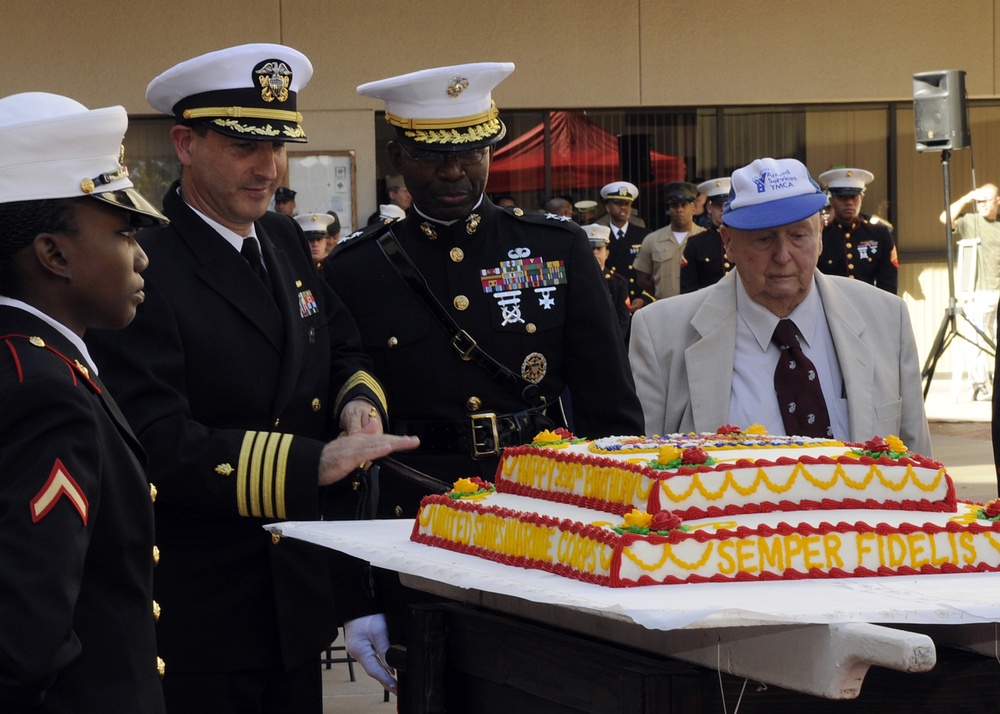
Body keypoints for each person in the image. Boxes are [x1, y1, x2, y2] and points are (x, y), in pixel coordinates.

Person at [85, 44, 419, 712]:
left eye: (279, 146)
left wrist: (356, 404)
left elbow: (341, 347)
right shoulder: (144, 261)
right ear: (185, 143)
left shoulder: (285, 240)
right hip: (201, 610)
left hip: (293, 601)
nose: (268, 168)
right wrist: (312, 462)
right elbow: (152, 440)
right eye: (243, 145)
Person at [328, 61, 643, 514]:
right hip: (413, 502)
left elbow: (608, 398)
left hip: (540, 495)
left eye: (471, 153)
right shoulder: (356, 267)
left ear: (492, 152)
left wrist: (618, 506)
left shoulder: (557, 247)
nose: (453, 171)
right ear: (397, 158)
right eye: (431, 156)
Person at [0, 92, 168, 712]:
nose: (142, 256)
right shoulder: (48, 394)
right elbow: (26, 642)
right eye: (125, 233)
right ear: (54, 254)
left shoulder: (30, 364)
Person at [629, 157, 931, 456]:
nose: (783, 255)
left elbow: (919, 466)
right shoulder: (661, 334)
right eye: (764, 239)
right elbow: (642, 473)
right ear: (729, 243)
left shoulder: (888, 318)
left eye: (798, 235)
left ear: (820, 236)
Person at [941, 183, 1000, 402]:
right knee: (977, 339)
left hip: (998, 290)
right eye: (979, 201)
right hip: (980, 291)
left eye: (987, 200)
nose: (982, 205)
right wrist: (967, 197)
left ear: (997, 201)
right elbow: (945, 219)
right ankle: (979, 386)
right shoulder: (972, 221)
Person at [817, 168, 898, 293]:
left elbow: (888, 282)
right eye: (843, 197)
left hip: (869, 306)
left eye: (854, 197)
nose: (849, 202)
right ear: (832, 200)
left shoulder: (879, 235)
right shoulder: (821, 238)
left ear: (862, 199)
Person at [633, 181, 705, 301]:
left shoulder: (704, 237)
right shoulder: (653, 240)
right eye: (675, 206)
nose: (679, 210)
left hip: (697, 306)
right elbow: (642, 278)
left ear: (693, 209)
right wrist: (660, 295)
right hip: (664, 308)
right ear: (669, 209)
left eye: (684, 205)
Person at [597, 181, 651, 310]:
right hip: (609, 301)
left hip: (636, 301)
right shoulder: (599, 236)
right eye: (617, 203)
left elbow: (653, 271)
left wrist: (645, 298)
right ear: (607, 207)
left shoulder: (644, 235)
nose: (623, 208)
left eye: (627, 204)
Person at [681, 177, 733, 292]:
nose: (722, 209)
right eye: (718, 205)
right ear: (709, 208)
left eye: (726, 204)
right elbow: (688, 286)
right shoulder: (696, 243)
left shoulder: (742, 239)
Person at [583, 223, 630, 341]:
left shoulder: (618, 283)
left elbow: (623, 320)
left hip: (610, 342)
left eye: (599, 248)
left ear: (607, 253)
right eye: (591, 248)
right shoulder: (577, 280)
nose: (595, 252)